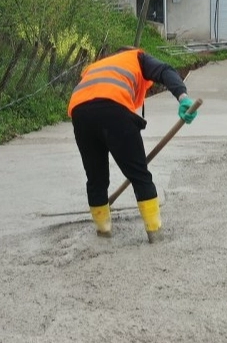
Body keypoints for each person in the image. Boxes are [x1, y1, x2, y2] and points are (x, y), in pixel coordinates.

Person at [68, 46, 198, 242]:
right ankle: (155, 233)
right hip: (113, 108)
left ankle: (103, 232)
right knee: (139, 175)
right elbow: (165, 70)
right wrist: (183, 97)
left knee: (96, 178)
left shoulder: (97, 66)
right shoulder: (137, 57)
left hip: (80, 113)